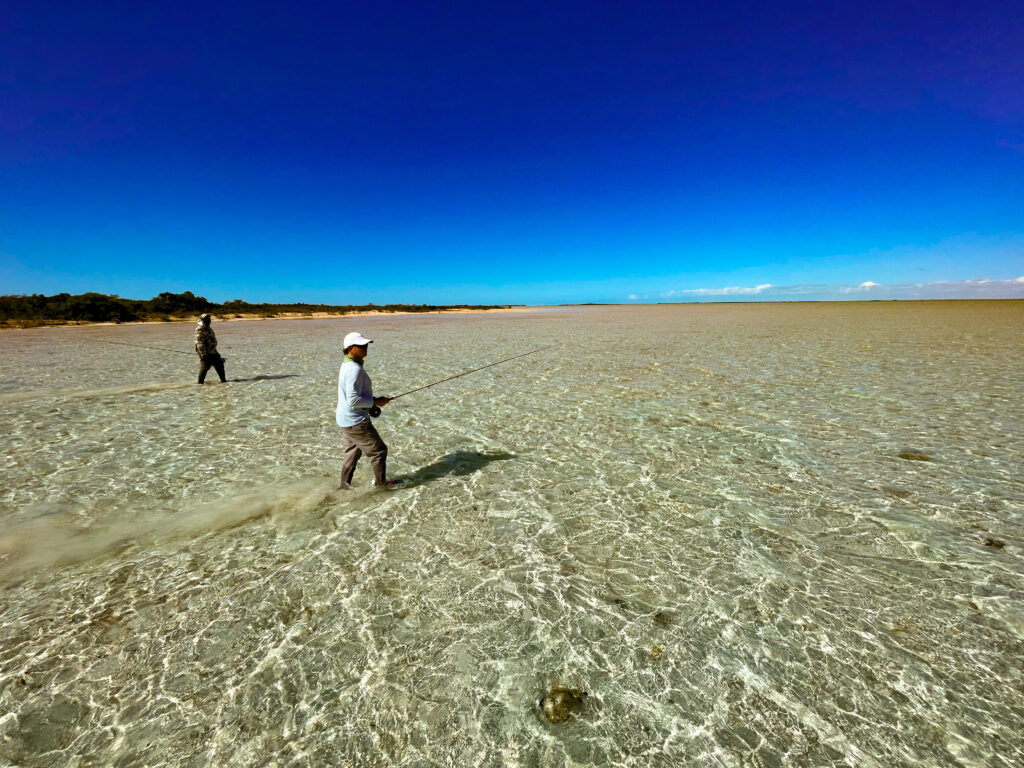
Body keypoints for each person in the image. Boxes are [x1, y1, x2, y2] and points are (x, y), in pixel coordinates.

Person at [336, 331, 397, 488]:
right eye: (361, 345)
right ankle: (381, 485)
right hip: (355, 421)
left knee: (352, 452)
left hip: (345, 419)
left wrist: (373, 401)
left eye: (366, 344)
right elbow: (354, 400)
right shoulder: (354, 369)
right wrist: (375, 402)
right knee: (379, 451)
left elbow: (353, 396)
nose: (365, 347)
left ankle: (344, 486)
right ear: (350, 348)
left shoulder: (347, 365)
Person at [195, 313, 227, 384]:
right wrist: (203, 355)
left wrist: (214, 351)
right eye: (206, 319)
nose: (209, 320)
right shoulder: (200, 329)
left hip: (213, 351)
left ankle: (224, 382)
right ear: (202, 320)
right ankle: (200, 384)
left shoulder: (208, 328)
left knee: (219, 365)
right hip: (205, 352)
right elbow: (199, 344)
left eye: (209, 319)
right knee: (205, 368)